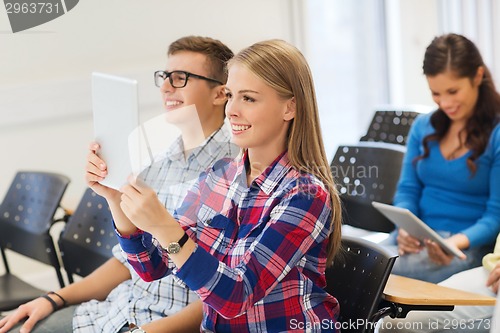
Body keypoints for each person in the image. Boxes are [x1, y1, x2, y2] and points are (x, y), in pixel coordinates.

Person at [0, 35, 237, 333]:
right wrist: (53, 298)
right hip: (115, 313)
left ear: (220, 94)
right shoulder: (157, 159)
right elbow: (127, 262)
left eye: (180, 78)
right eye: (164, 77)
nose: (165, 87)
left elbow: (223, 295)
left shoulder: (237, 170)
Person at [111, 39, 343, 332]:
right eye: (231, 95)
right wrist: (114, 198)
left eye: (248, 98)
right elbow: (151, 267)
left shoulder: (305, 195)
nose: (231, 110)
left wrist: (162, 225)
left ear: (290, 107)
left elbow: (236, 296)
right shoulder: (218, 176)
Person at [382, 33, 500, 284]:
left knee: (369, 274)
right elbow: (407, 190)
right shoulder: (423, 126)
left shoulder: (497, 134)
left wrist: (451, 243)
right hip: (417, 237)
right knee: (350, 260)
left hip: (464, 244)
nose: (445, 103)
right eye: (436, 93)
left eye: (453, 91)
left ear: (478, 76)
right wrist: (404, 230)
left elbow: (495, 217)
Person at [380, 234, 500, 333]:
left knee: (397, 325)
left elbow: (493, 216)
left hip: (467, 251)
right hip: (492, 267)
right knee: (393, 323)